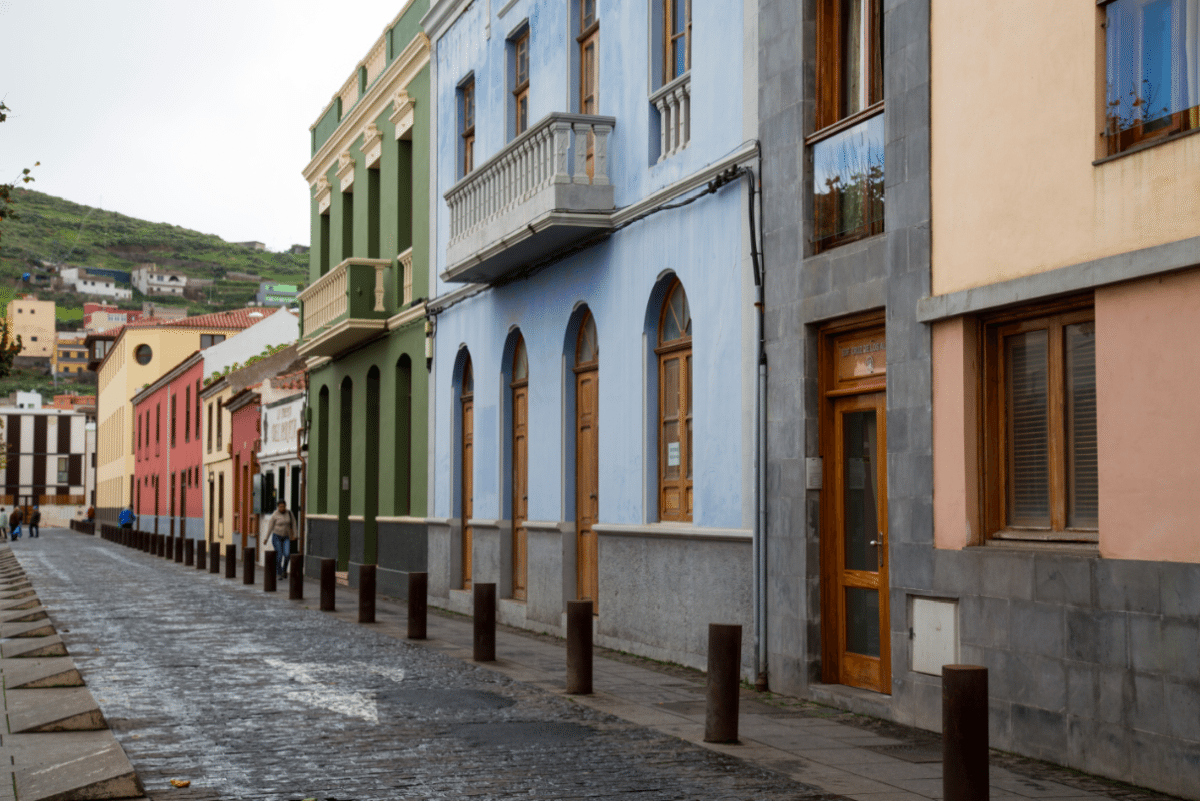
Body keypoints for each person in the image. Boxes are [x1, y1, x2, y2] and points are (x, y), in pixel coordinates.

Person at [264, 501, 297, 579]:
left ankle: (284, 570)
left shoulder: (289, 513)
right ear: (278, 507)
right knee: (279, 555)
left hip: (286, 537)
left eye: (283, 506)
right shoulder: (275, 515)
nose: (282, 508)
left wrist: (295, 535)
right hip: (276, 537)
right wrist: (266, 538)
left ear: (285, 506)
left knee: (287, 554)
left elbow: (294, 524)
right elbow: (270, 527)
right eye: (280, 507)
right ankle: (279, 572)